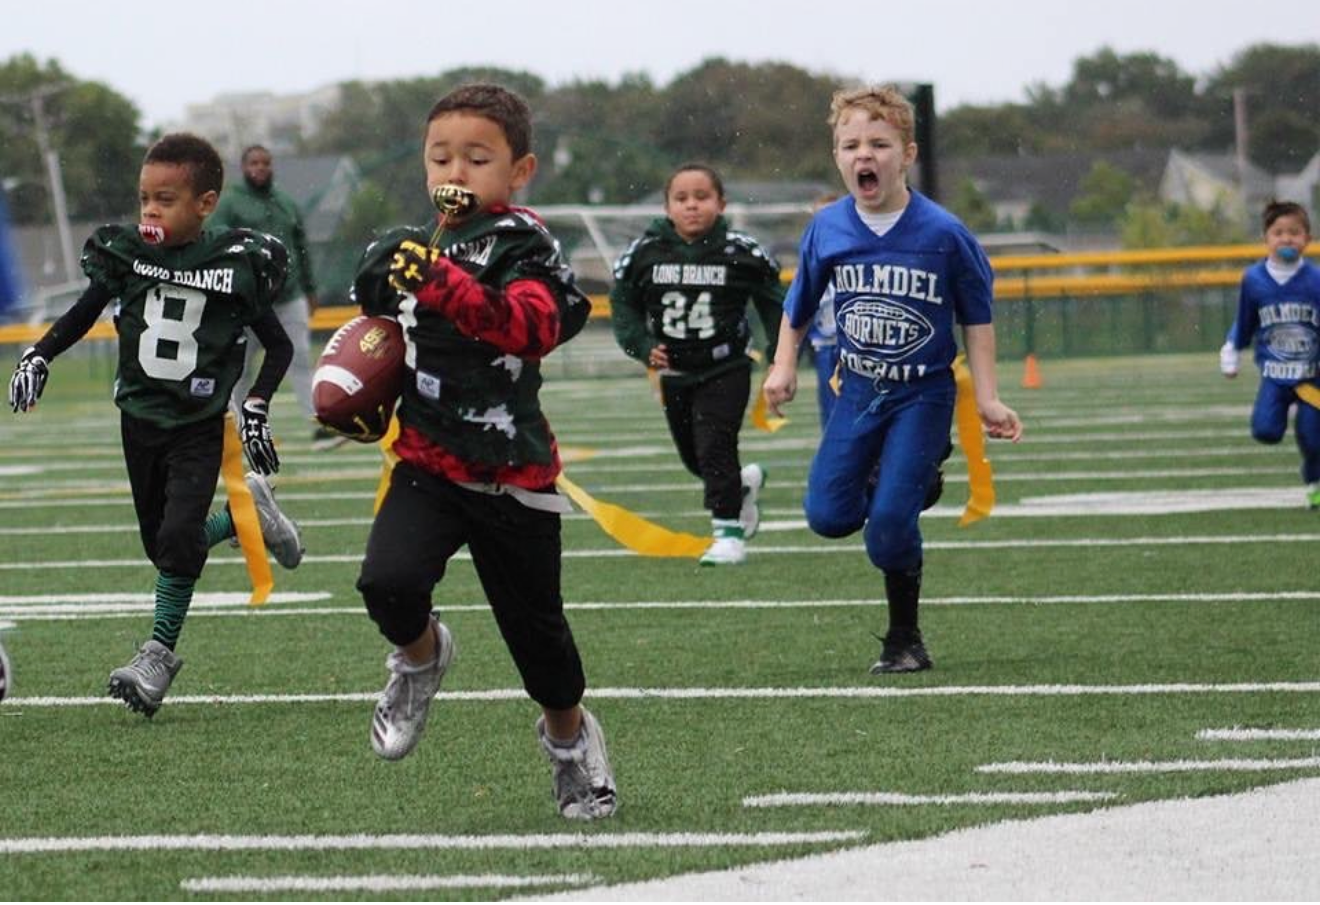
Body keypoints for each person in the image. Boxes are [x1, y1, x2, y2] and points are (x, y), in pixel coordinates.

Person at [350, 84, 616, 820]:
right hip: (429, 462)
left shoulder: (525, 242)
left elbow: (530, 327)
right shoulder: (406, 246)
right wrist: (352, 390)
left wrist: (441, 282)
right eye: (441, 158)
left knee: (543, 648)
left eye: (477, 158)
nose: (456, 173)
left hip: (513, 472)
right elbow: (373, 327)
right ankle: (422, 654)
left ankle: (568, 741)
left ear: (519, 168)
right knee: (387, 584)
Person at [7, 133, 304, 717]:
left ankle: (156, 657)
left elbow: (280, 346)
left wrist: (258, 406)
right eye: (144, 198)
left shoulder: (234, 263)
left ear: (205, 204)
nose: (149, 211)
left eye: (165, 200)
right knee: (164, 545)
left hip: (198, 424)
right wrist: (38, 353)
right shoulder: (125, 255)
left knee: (173, 545)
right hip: (137, 420)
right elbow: (82, 312)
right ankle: (251, 517)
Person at [763, 86, 1022, 674]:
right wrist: (782, 366)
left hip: (922, 394)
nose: (864, 155)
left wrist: (987, 397)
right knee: (828, 517)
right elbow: (797, 305)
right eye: (850, 145)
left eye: (878, 144)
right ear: (837, 157)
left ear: (906, 154)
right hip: (856, 389)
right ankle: (902, 481)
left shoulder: (945, 233)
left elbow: (977, 318)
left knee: (886, 531)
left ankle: (904, 639)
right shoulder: (827, 228)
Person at [610, 163, 785, 566]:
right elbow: (623, 303)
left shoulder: (741, 251)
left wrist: (780, 356)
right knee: (696, 460)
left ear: (721, 203)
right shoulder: (646, 251)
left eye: (702, 197)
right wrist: (640, 344)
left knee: (715, 446)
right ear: (667, 206)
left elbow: (775, 302)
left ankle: (728, 533)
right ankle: (737, 488)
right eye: (682, 198)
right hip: (673, 370)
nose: (692, 206)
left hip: (726, 365)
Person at [209, 145, 332, 449]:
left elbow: (301, 247)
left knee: (300, 356)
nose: (260, 168)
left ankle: (318, 422)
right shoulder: (230, 203)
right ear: (243, 167)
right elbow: (216, 242)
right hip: (248, 299)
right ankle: (237, 428)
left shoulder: (286, 202)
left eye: (265, 162)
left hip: (289, 296)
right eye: (254, 163)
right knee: (240, 366)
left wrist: (310, 288)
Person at [1220, 200, 1320, 508]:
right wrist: (1232, 348)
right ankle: (1289, 410)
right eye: (1278, 232)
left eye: (1295, 232)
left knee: (1313, 437)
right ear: (1266, 238)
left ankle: (1315, 484)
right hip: (1275, 376)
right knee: (1265, 431)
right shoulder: (1254, 279)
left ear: (1307, 238)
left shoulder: (1316, 280)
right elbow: (1246, 320)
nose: (1287, 239)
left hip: (1312, 376)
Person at [805, 192, 843, 429]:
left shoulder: (866, 254)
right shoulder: (811, 260)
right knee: (831, 422)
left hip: (863, 350)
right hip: (826, 349)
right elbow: (799, 312)